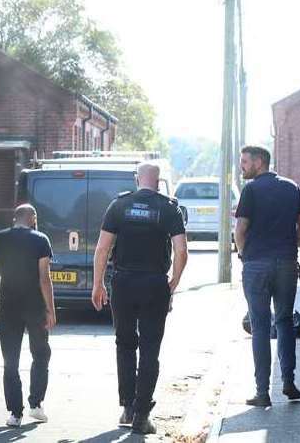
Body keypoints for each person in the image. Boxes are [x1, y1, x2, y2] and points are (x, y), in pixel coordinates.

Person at [91, 163, 188, 435]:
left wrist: (98, 284)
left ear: (137, 179)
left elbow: (102, 248)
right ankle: (141, 416)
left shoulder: (119, 206)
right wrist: (173, 283)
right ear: (158, 182)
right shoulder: (169, 208)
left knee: (124, 343)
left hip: (123, 283)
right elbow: (181, 252)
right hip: (154, 284)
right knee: (149, 348)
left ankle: (128, 407)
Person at [235, 146, 300, 407]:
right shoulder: (292, 187)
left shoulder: (251, 190)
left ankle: (262, 391)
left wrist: (245, 254)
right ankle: (288, 381)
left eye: (245, 161)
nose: (242, 166)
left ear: (259, 162)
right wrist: (290, 245)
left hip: (257, 264)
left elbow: (240, 229)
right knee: (285, 321)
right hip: (287, 263)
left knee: (260, 326)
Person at [0, 204, 56, 428]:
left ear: (15, 217)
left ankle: (15, 413)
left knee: (10, 360)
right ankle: (36, 404)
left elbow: (0, 269)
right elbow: (44, 278)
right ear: (32, 218)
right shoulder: (40, 239)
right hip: (35, 306)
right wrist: (51, 309)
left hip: (7, 306)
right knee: (40, 354)